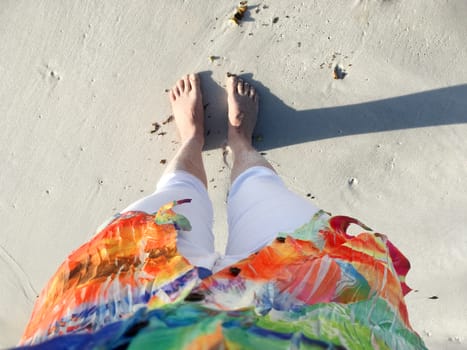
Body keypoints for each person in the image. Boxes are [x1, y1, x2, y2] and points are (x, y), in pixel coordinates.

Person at [18, 74, 427, 349]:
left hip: (118, 313)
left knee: (172, 203)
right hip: (309, 308)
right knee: (263, 195)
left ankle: (198, 140)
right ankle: (239, 143)